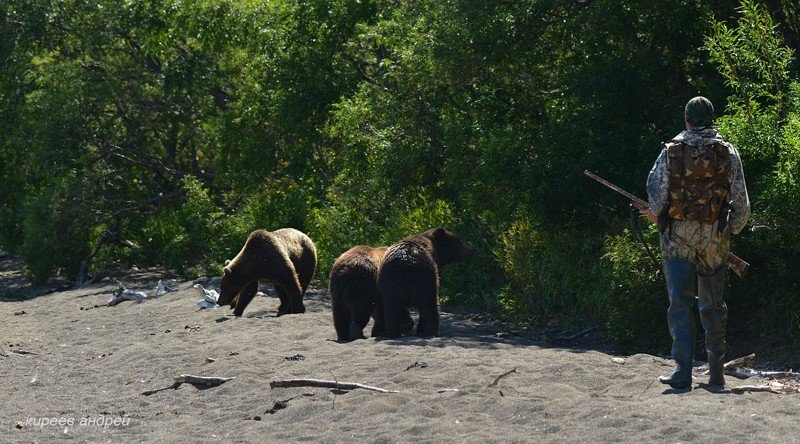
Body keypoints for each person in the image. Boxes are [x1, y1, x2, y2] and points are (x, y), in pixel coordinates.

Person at [641, 96, 750, 390]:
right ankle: (716, 374)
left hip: (678, 239)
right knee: (713, 305)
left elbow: (657, 196)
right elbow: (742, 203)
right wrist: (730, 232)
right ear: (712, 119)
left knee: (680, 303)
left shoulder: (671, 151)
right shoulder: (728, 152)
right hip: (715, 237)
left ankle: (682, 373)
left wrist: (655, 216)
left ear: (687, 119)